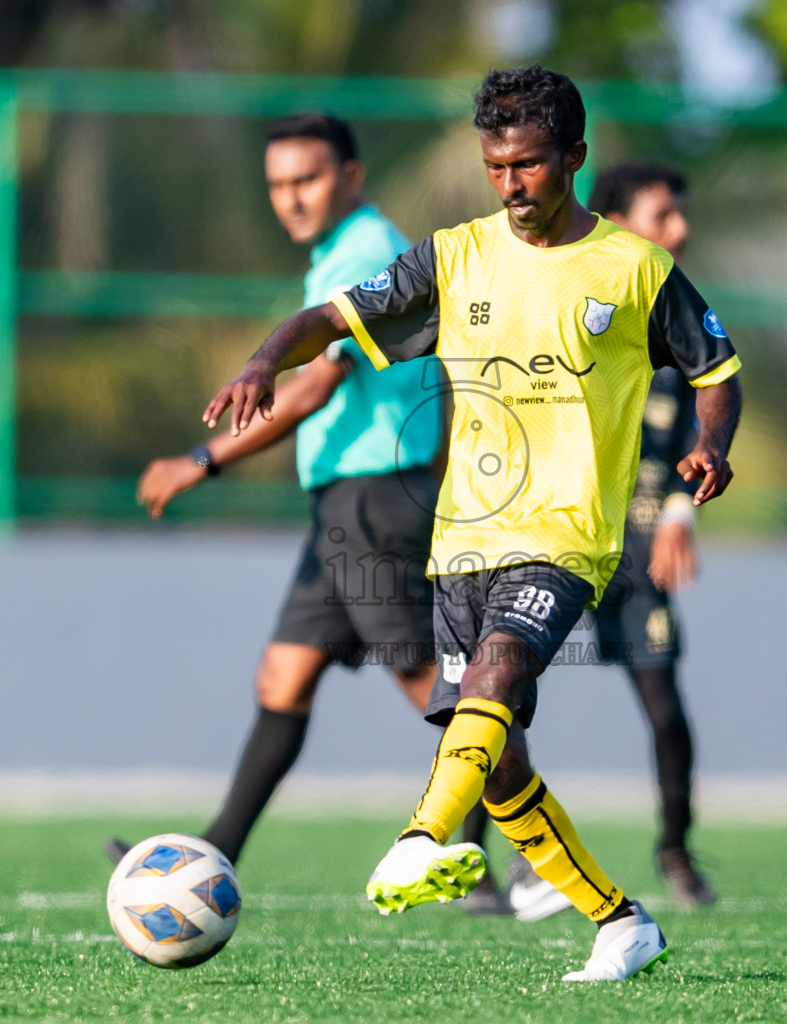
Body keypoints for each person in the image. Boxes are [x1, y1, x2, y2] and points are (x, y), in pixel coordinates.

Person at [202, 66, 742, 982]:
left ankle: (422, 833)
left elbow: (717, 372)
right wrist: (262, 360)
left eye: (528, 164)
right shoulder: (453, 259)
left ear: (572, 157)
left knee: (496, 673)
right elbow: (331, 317)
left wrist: (711, 447)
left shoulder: (635, 267)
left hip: (568, 537)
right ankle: (620, 921)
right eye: (496, 166)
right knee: (499, 762)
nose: (511, 184)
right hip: (460, 543)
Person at [107, 113, 445, 868]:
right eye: (278, 185)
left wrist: (200, 460)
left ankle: (524, 864)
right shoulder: (337, 254)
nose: (291, 199)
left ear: (351, 177)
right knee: (284, 673)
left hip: (375, 498)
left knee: (433, 683)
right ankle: (212, 854)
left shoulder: (366, 254)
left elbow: (310, 390)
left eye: (308, 180)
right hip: (343, 503)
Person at [503, 162, 716, 921]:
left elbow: (708, 416)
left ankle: (676, 853)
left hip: (637, 546)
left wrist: (683, 512)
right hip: (555, 536)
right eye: (664, 216)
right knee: (498, 692)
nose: (679, 230)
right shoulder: (563, 299)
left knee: (664, 708)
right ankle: (478, 858)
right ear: (619, 224)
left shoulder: (677, 312)